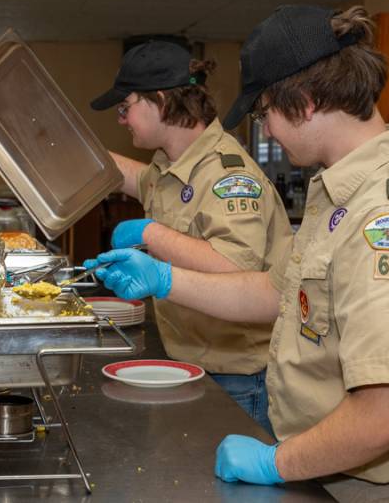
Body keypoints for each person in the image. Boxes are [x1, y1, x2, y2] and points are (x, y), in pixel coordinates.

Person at [84, 5, 389, 501]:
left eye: (265, 111)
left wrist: (276, 462)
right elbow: (276, 290)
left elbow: (386, 414)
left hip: (378, 489)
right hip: (324, 468)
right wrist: (164, 279)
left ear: (306, 102)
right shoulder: (339, 192)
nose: (265, 130)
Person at [89, 40, 292, 434]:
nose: (121, 119)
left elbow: (237, 267)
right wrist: (78, 153)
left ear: (161, 102)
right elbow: (136, 178)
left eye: (125, 107)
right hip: (193, 361)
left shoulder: (228, 175)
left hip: (235, 378)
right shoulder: (172, 162)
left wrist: (153, 234)